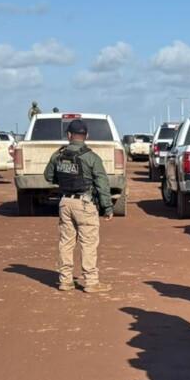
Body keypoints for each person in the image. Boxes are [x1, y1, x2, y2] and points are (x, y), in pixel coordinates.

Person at [43, 118, 113, 294]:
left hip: (65, 202)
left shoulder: (58, 155)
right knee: (88, 243)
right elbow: (102, 184)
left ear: (68, 135)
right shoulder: (91, 157)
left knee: (66, 242)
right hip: (85, 204)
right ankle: (91, 281)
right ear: (86, 135)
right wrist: (108, 207)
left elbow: (48, 177)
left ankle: (65, 281)